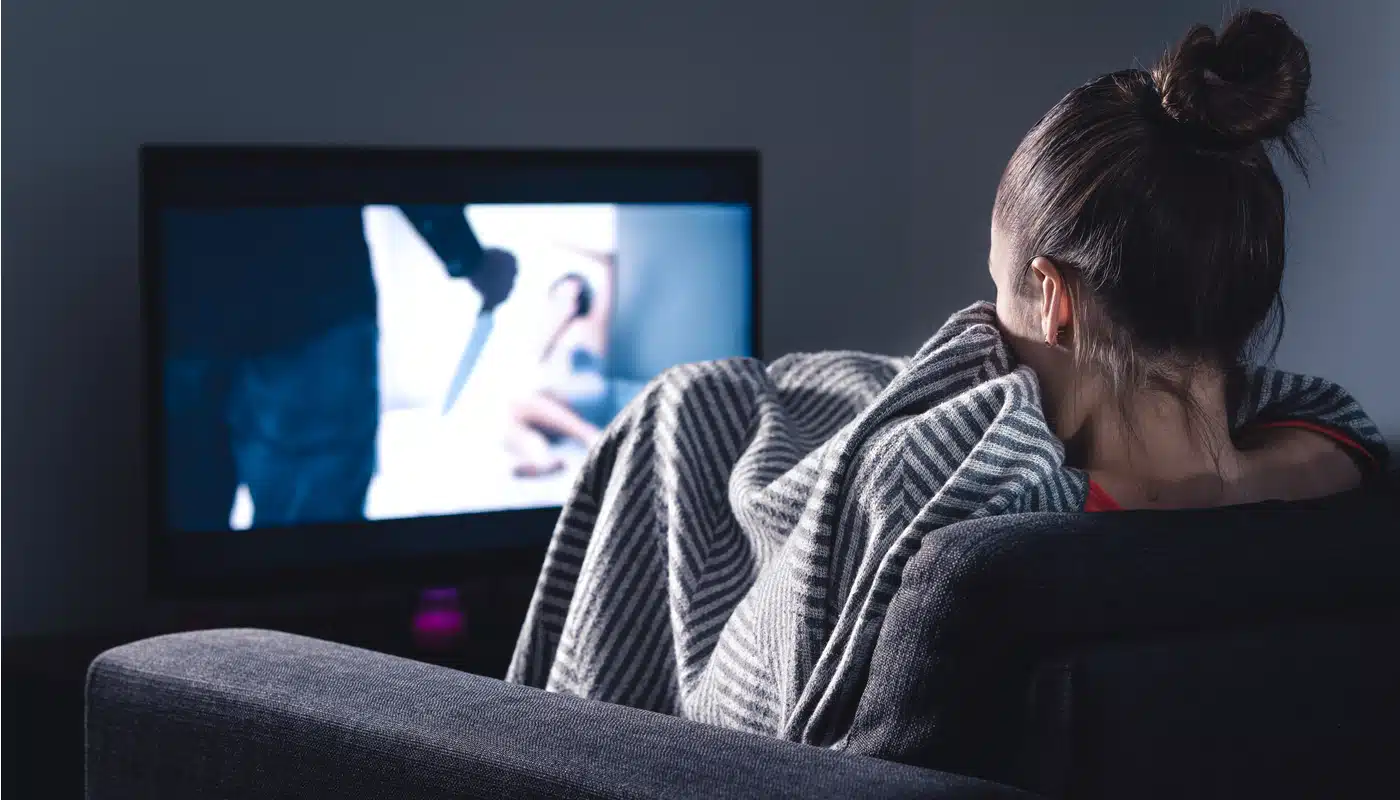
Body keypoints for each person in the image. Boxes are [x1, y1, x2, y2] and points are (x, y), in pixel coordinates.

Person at [506, 8, 1388, 736]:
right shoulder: (1331, 475)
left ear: (1054, 300)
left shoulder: (965, 540)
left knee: (688, 406)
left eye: (996, 291)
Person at [986, 9, 1375, 509]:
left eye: (997, 285)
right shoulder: (1338, 467)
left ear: (1054, 301)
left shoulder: (993, 541)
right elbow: (1339, 421)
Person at [162, 204, 518, 531]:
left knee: (186, 537)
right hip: (309, 301)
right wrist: (469, 258)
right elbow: (393, 145)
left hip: (181, 310)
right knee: (309, 547)